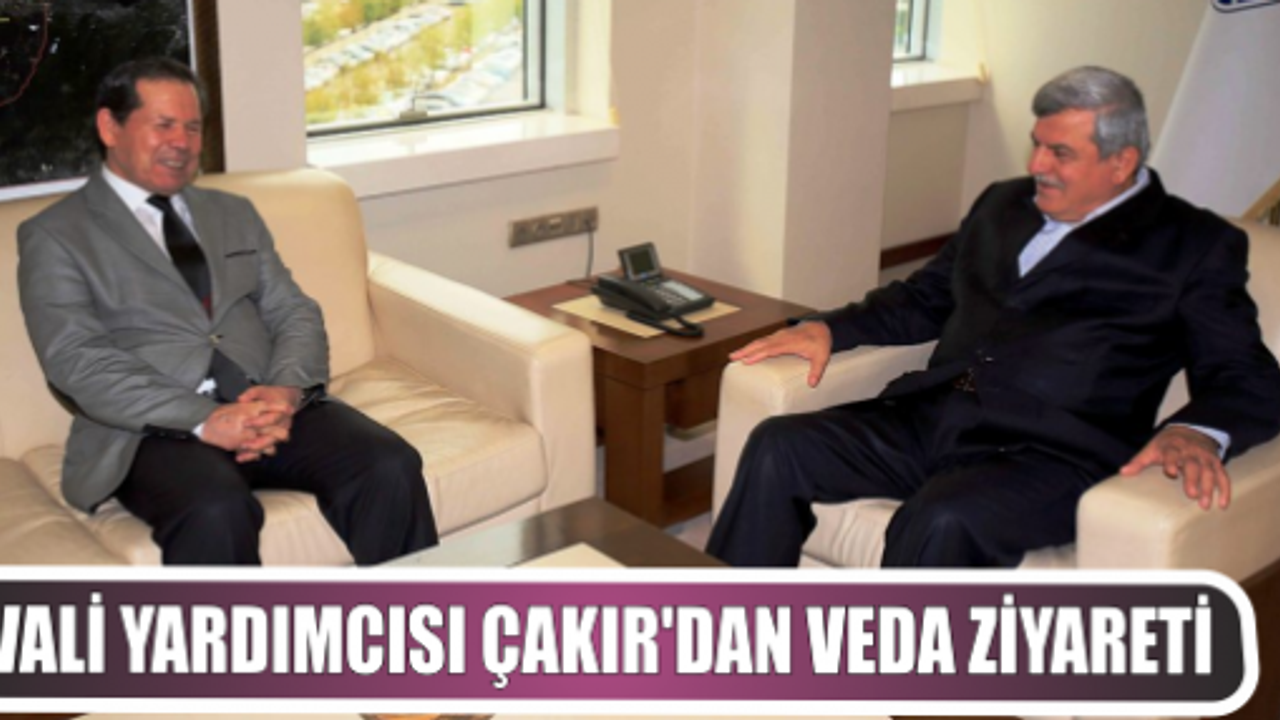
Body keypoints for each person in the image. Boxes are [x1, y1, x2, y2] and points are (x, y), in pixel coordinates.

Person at [706, 66, 1280, 568]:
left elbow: (1246, 377)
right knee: (780, 445)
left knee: (941, 519)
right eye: (1037, 145)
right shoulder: (1003, 203)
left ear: (1121, 162)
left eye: (1060, 153)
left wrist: (1193, 431)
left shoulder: (1192, 246)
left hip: (1052, 455)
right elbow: (928, 296)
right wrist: (832, 328)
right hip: (934, 415)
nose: (1037, 166)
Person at [17, 57, 439, 565]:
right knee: (215, 511)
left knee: (388, 464)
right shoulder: (56, 235)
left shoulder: (232, 213)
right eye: (163, 125)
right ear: (110, 127)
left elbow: (293, 310)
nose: (182, 142)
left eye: (193, 127)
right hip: (152, 428)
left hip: (266, 401)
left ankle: (409, 613)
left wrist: (285, 389)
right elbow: (76, 360)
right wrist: (207, 418)